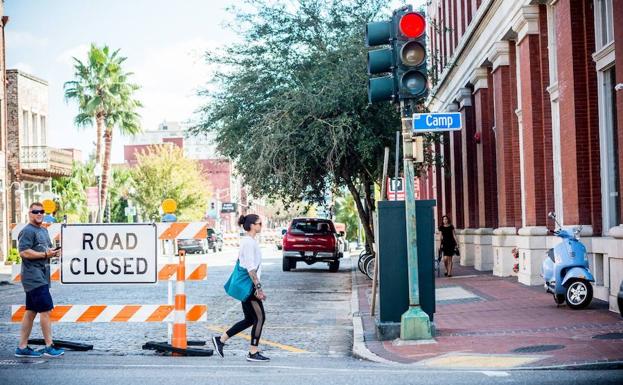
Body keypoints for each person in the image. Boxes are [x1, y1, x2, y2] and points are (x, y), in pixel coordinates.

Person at [212, 214, 269, 362]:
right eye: (259, 223)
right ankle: (253, 352)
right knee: (260, 318)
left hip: (249, 285)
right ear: (251, 225)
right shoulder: (249, 243)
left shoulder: (249, 241)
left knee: (250, 319)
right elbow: (251, 268)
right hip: (249, 286)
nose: (261, 225)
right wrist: (259, 288)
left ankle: (221, 340)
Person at [15, 202, 64, 358]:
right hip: (33, 277)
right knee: (46, 309)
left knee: (31, 311)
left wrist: (54, 252)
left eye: (41, 211)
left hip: (42, 275)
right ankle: (49, 346)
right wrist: (45, 255)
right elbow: (24, 252)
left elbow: (47, 250)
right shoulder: (27, 231)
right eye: (35, 211)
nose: (39, 214)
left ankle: (22, 347)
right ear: (29, 213)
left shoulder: (43, 230)